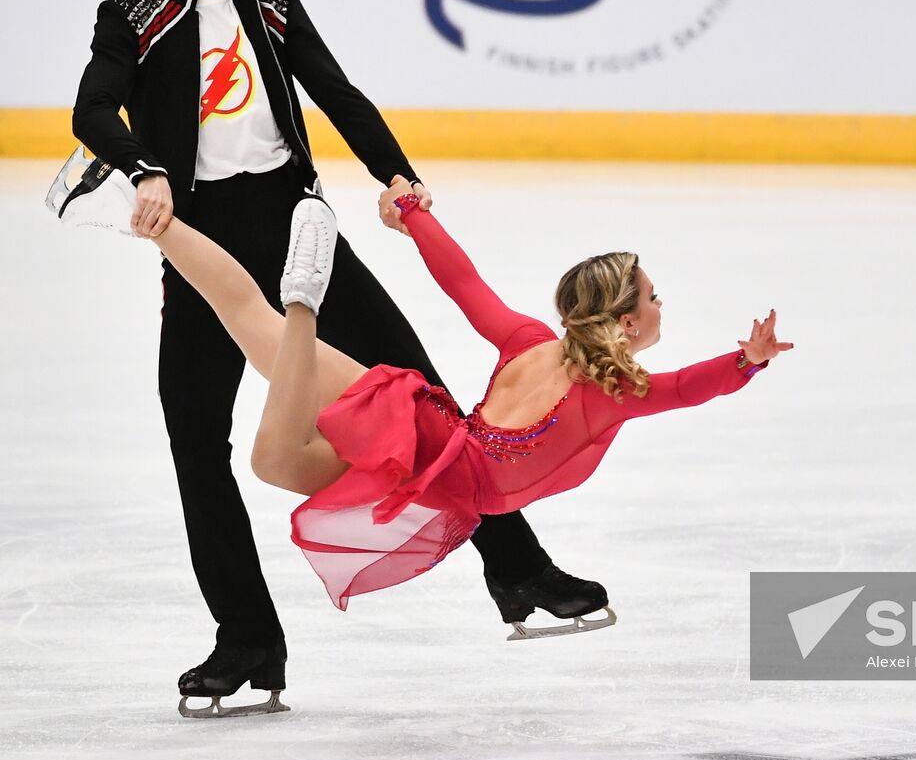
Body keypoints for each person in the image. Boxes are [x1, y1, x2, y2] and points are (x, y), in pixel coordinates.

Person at [68, 0, 605, 717]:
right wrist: (144, 170)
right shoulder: (131, 16)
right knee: (195, 437)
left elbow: (335, 92)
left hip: (297, 224)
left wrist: (394, 174)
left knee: (425, 393)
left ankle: (519, 569)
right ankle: (245, 638)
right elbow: (92, 110)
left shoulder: (271, 0)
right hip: (202, 239)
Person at [129, 178, 790, 712]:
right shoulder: (614, 390)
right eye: (653, 296)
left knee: (270, 455)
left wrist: (415, 214)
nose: (660, 304)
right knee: (264, 340)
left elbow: (463, 282)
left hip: (430, 450)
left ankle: (198, 245)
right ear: (625, 321)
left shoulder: (535, 340)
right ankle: (301, 298)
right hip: (421, 443)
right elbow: (689, 388)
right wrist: (747, 362)